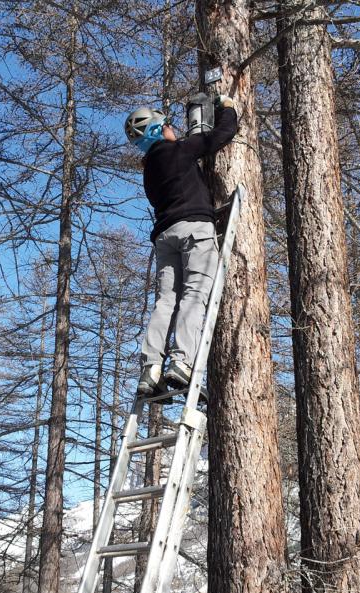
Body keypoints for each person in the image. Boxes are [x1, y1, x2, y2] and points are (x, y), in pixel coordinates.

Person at [124, 95, 238, 396]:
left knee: (165, 301)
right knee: (194, 295)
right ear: (159, 131)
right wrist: (228, 107)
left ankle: (151, 367)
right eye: (169, 125)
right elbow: (222, 135)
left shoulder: (149, 171)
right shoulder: (179, 151)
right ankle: (182, 361)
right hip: (194, 232)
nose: (174, 129)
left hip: (164, 238)